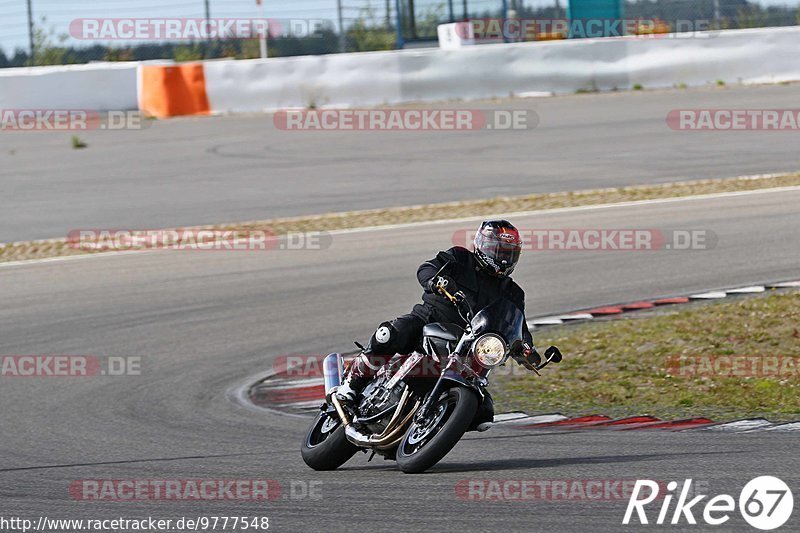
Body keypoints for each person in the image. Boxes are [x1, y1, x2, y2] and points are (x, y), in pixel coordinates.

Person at [336, 219, 538, 409]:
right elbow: (427, 268)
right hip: (429, 319)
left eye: (509, 254)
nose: (503, 259)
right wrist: (436, 281)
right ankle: (351, 385)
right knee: (389, 334)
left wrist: (528, 349)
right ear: (482, 245)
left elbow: (518, 325)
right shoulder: (460, 258)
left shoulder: (513, 292)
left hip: (466, 345)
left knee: (484, 411)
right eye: (499, 251)